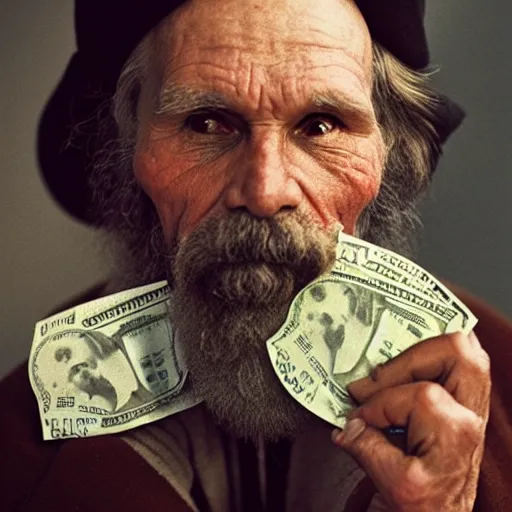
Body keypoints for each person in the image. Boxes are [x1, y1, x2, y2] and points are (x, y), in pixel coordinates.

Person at [1, 0, 512, 510]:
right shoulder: (16, 453)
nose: (265, 193)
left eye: (321, 125)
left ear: (388, 155)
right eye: (206, 123)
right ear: (125, 149)